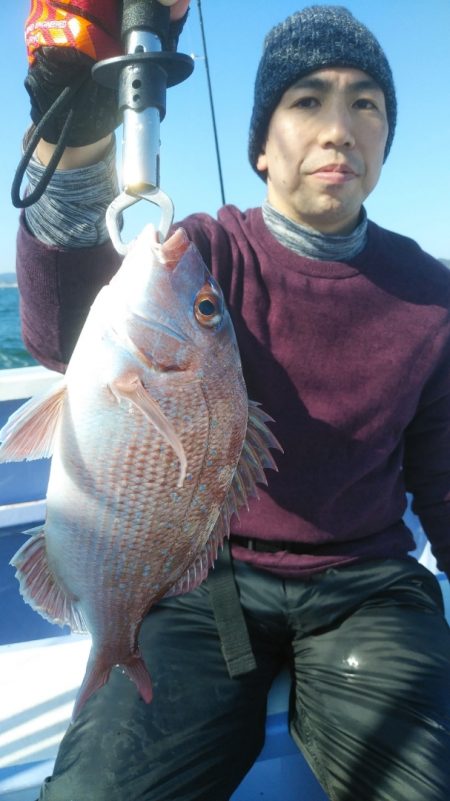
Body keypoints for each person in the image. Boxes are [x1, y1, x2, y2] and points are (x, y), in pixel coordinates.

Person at [14, 2, 450, 800]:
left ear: (387, 137)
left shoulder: (432, 296)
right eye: (307, 100)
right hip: (206, 579)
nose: (338, 128)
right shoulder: (203, 253)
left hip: (368, 588)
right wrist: (71, 124)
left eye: (366, 104)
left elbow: (444, 474)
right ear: (260, 144)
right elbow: (54, 331)